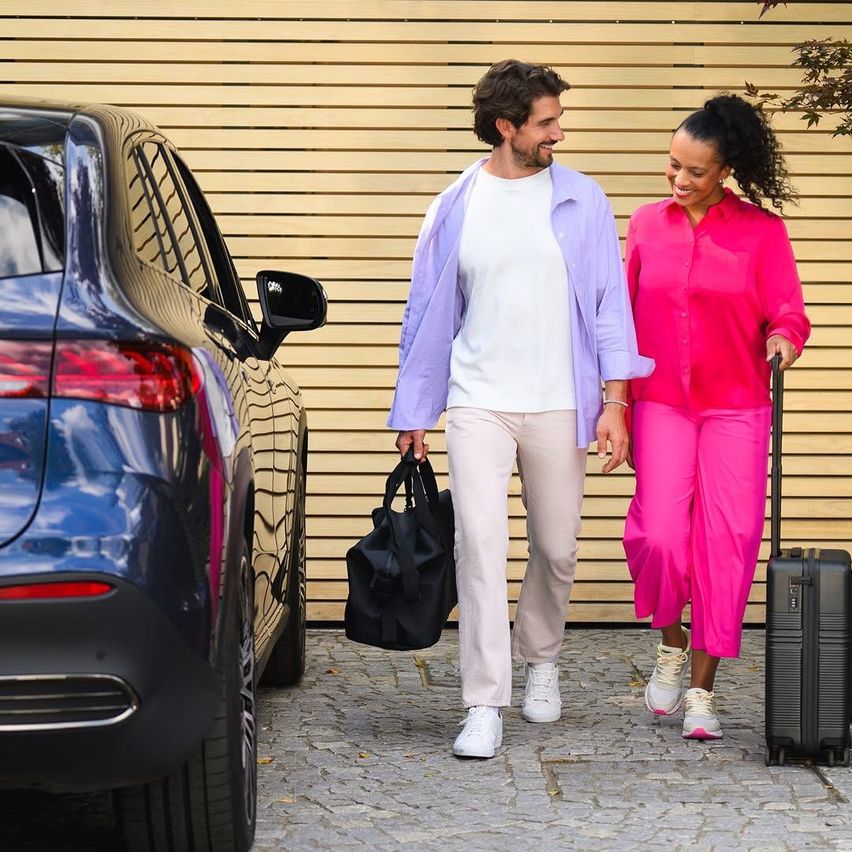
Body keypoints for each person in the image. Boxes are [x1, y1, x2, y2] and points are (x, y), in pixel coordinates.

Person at [387, 59, 654, 759]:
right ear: (507, 127)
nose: (558, 132)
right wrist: (416, 411)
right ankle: (483, 701)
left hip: (561, 400)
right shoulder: (453, 206)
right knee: (478, 546)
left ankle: (540, 657)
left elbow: (608, 306)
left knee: (556, 547)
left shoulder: (582, 200)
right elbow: (427, 315)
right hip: (480, 402)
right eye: (546, 121)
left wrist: (616, 400)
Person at [623, 94, 810, 740]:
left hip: (737, 408)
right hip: (663, 406)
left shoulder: (762, 233)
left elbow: (789, 310)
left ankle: (702, 691)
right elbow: (620, 321)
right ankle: (671, 640)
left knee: (724, 548)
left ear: (725, 171)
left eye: (694, 171)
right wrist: (614, 404)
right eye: (672, 165)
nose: (678, 180)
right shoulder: (646, 225)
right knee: (659, 538)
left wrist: (785, 339)